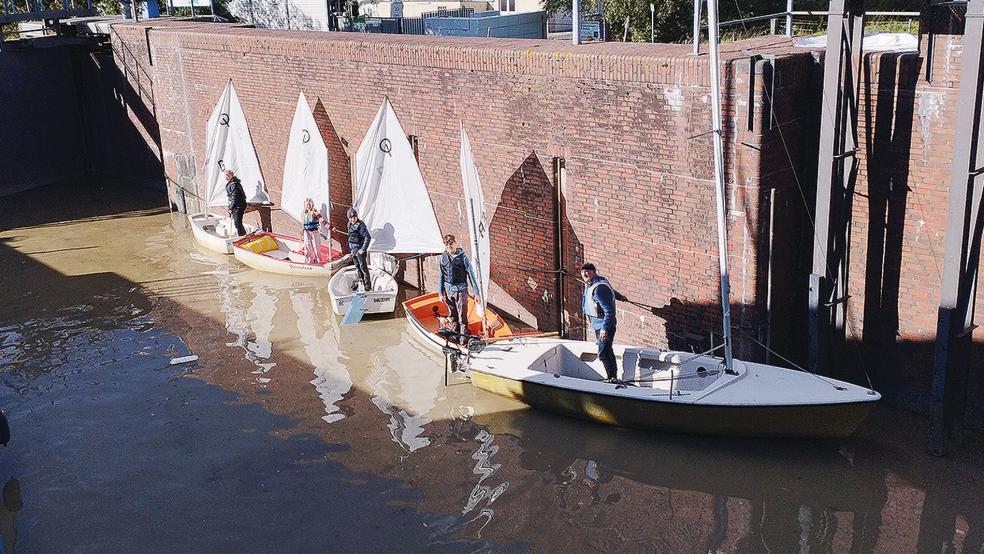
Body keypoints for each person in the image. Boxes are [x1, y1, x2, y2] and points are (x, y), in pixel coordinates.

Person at [580, 262, 628, 383]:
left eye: (588, 271)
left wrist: (604, 329)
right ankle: (612, 377)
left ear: (594, 272)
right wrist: (620, 297)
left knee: (603, 353)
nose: (585, 273)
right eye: (583, 272)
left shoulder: (599, 289)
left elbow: (610, 312)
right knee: (607, 350)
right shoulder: (596, 282)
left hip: (604, 325)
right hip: (598, 324)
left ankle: (611, 378)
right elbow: (611, 290)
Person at [439, 234, 480, 346]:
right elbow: (441, 275)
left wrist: (476, 292)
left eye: (451, 244)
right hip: (448, 291)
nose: (449, 247)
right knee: (453, 316)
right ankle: (454, 335)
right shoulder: (443, 257)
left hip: (461, 290)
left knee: (462, 316)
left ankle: (463, 340)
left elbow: (471, 275)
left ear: (455, 243)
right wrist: (440, 292)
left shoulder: (463, 258)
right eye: (447, 245)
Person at [346, 208, 372, 291]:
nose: (353, 219)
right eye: (351, 218)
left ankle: (367, 286)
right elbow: (351, 236)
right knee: (357, 267)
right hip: (353, 250)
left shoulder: (361, 226)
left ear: (357, 217)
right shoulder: (349, 224)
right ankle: (361, 283)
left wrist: (363, 249)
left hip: (360, 251)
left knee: (363, 268)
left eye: (354, 217)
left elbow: (368, 237)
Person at [301, 198, 325, 264]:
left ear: (311, 205)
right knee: (308, 248)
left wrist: (330, 228)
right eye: (307, 205)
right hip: (307, 232)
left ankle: (318, 261)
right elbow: (303, 223)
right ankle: (309, 262)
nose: (308, 206)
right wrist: (302, 231)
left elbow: (322, 220)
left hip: (314, 233)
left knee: (316, 247)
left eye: (309, 204)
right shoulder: (304, 212)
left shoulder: (315, 212)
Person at [225, 169, 248, 236]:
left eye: (227, 176)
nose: (226, 178)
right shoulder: (233, 183)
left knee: (237, 222)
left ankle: (242, 236)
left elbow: (235, 197)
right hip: (237, 205)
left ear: (230, 175)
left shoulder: (234, 185)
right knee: (237, 222)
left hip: (239, 205)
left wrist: (231, 208)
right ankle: (243, 235)